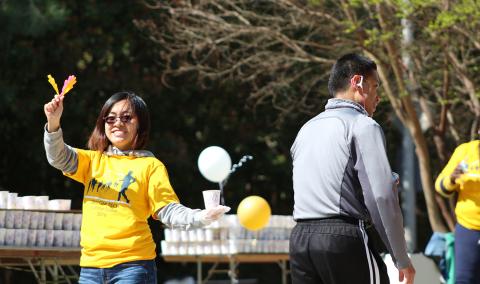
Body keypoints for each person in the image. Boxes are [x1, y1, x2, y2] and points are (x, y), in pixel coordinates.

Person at [44, 91, 230, 283]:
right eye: (110, 118)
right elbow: (58, 157)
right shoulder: (93, 160)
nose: (117, 123)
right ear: (103, 124)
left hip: (132, 267)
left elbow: (168, 210)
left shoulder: (150, 166)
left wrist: (200, 216)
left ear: (140, 124)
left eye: (126, 117)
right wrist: (53, 123)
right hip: (91, 268)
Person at [289, 53, 415, 284]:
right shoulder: (363, 125)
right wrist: (401, 257)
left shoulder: (306, 129)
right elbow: (381, 196)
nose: (378, 97)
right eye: (375, 87)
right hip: (342, 238)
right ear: (358, 83)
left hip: (300, 240)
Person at [435, 139, 480, 284]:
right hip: (468, 229)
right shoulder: (465, 151)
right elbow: (440, 186)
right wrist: (452, 179)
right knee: (464, 280)